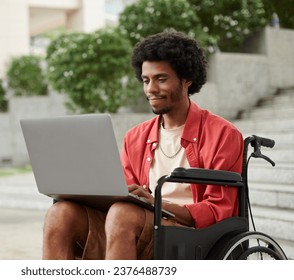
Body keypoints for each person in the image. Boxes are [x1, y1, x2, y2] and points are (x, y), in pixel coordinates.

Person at [42, 31, 243, 260]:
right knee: (61, 213)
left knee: (123, 214)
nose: (150, 89)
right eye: (146, 80)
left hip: (190, 237)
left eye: (161, 79)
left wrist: (158, 204)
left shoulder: (223, 134)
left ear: (187, 79)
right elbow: (125, 194)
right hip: (133, 228)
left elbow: (218, 210)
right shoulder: (135, 137)